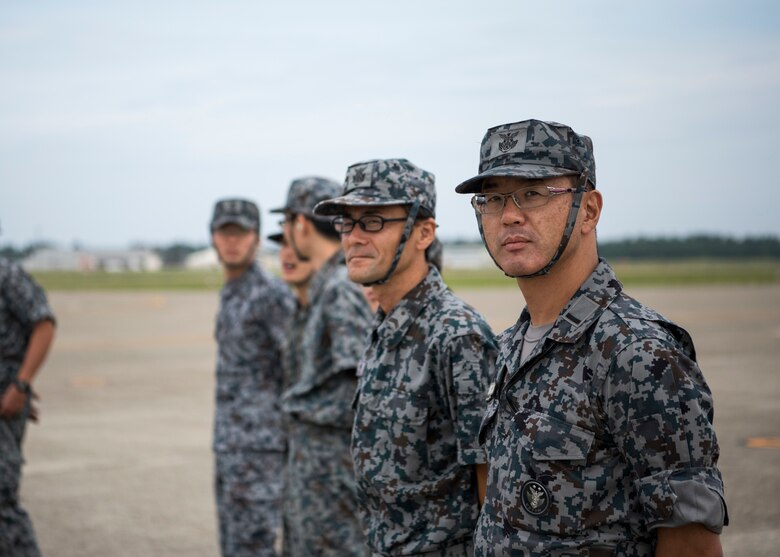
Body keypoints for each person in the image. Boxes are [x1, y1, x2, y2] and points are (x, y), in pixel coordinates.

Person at [454, 119, 728, 556]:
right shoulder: (509, 347)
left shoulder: (637, 352)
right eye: (492, 198)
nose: (509, 214)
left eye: (534, 192)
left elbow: (690, 542)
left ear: (590, 210)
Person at [315, 158, 498, 557]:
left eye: (374, 221)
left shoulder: (456, 335)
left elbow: (492, 488)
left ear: (424, 233)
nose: (354, 237)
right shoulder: (385, 326)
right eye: (347, 222)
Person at [271, 177, 372, 556]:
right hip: (315, 476)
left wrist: (300, 409)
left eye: (285, 224)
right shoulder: (323, 285)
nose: (284, 233)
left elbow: (362, 388)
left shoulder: (339, 289)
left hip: (332, 478)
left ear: (300, 223)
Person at [210, 199, 294, 557]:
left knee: (253, 546)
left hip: (262, 452)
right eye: (224, 232)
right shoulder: (231, 293)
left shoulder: (270, 295)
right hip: (230, 446)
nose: (232, 241)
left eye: (240, 233)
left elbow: (297, 367)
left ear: (257, 239)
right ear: (213, 238)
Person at [0, 245, 56, 557]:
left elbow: (44, 323)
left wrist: (21, 385)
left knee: (2, 507)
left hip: (4, 406)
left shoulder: (7, 275)